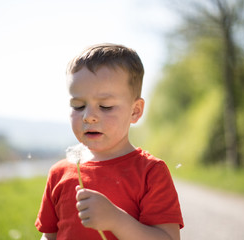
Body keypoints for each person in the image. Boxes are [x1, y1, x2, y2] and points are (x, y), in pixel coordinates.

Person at [35, 43, 184, 240]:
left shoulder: (150, 172)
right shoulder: (58, 173)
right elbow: (49, 236)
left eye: (105, 106)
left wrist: (116, 220)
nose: (89, 116)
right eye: (78, 106)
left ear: (135, 111)